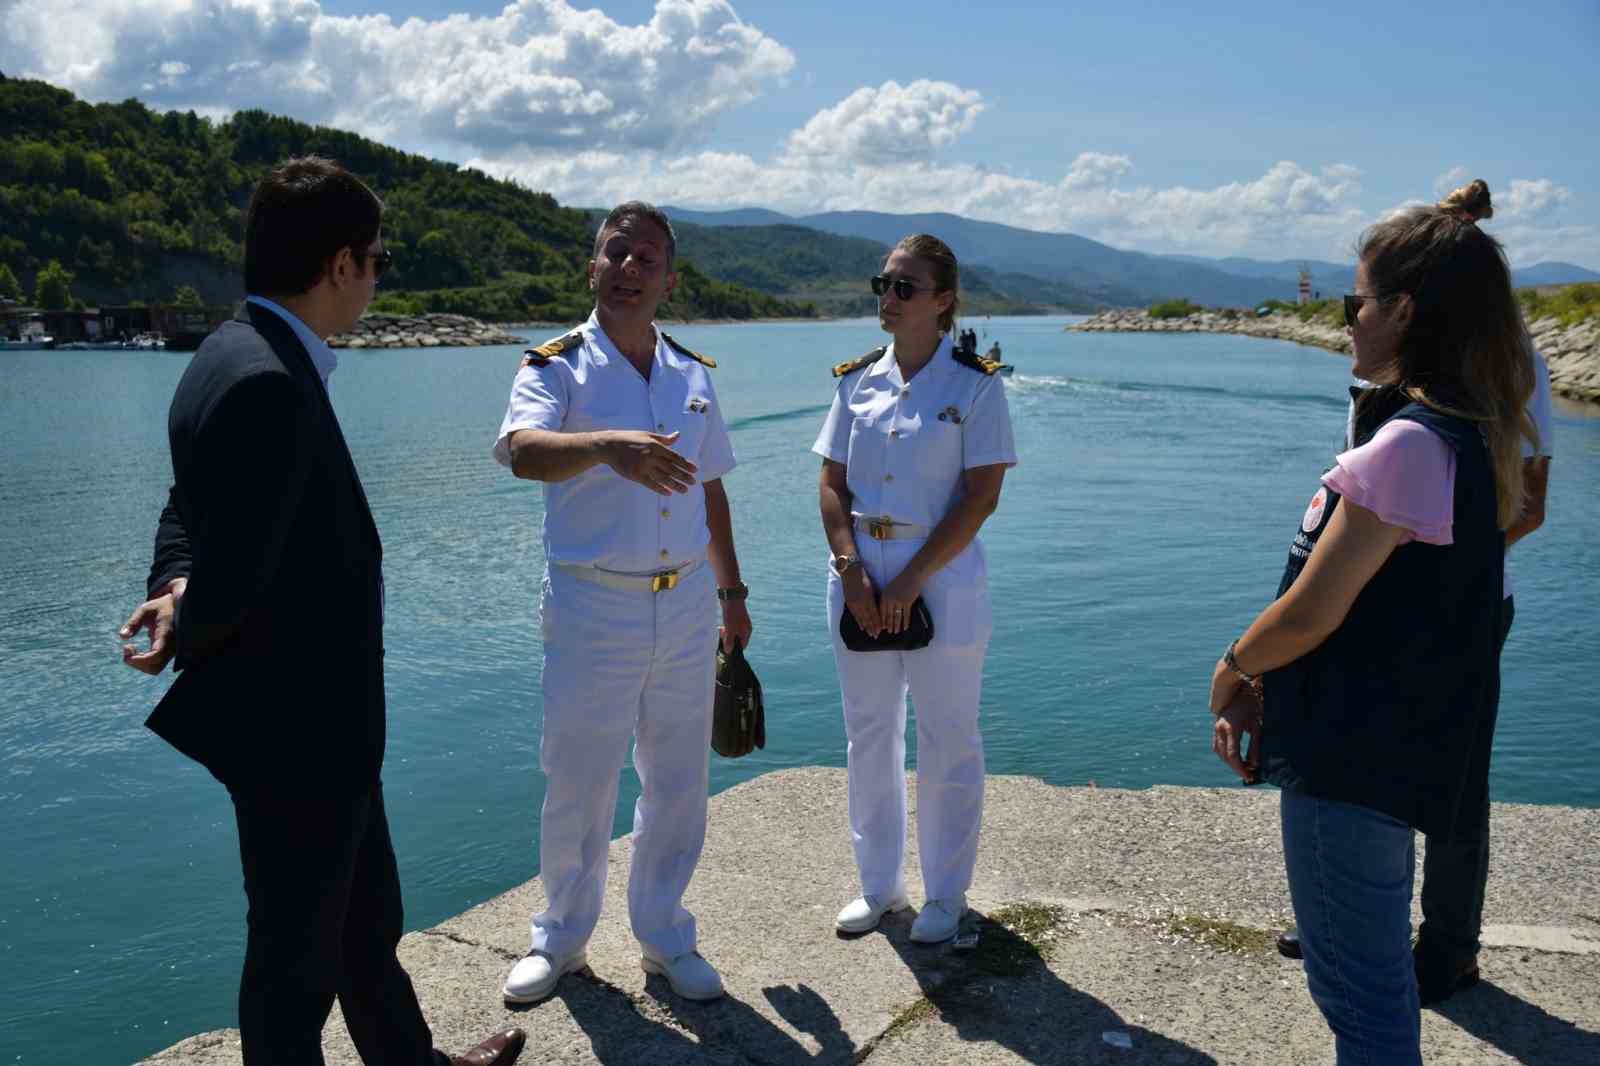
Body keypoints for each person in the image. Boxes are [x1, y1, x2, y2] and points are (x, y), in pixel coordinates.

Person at [115, 157, 525, 1066]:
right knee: (293, 967)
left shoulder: (229, 353)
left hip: (323, 733)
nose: (379, 278)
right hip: (295, 734)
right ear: (341, 264)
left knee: (366, 920)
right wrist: (190, 603)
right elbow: (236, 579)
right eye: (378, 259)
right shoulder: (267, 382)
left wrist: (173, 586)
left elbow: (188, 508)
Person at [1209, 179, 1536, 1065]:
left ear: (1404, 309)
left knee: (1358, 993)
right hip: (1397, 749)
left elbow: (1315, 607)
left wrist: (1235, 667)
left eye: (1358, 300)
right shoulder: (1476, 429)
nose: (1347, 319)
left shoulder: (1407, 445)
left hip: (1348, 758)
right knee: (1376, 977)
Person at [493, 201, 752, 1004]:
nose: (629, 269)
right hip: (591, 605)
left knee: (678, 779)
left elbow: (711, 490)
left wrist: (733, 594)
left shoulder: (691, 373)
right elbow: (522, 453)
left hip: (686, 605)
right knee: (580, 777)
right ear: (592, 267)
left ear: (670, 279)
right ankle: (561, 940)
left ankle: (666, 936)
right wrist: (607, 447)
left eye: (646, 259)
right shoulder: (556, 366)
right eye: (616, 253)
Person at [814, 234, 1016, 942]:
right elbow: (832, 485)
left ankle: (945, 896)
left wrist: (912, 579)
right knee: (869, 735)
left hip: (945, 583)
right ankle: (879, 889)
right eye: (884, 284)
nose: (888, 298)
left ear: (943, 301)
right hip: (860, 578)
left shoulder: (976, 385)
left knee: (947, 738)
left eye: (905, 287)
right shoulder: (855, 381)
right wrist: (851, 569)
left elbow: (980, 497)